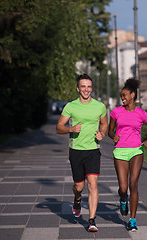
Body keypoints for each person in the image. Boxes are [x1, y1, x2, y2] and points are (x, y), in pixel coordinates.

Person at [56, 73, 108, 232]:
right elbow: (59, 127)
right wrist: (70, 129)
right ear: (78, 88)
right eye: (83, 86)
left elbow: (104, 124)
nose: (86, 89)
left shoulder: (99, 106)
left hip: (93, 150)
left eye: (89, 87)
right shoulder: (70, 106)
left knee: (93, 184)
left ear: (92, 88)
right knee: (79, 186)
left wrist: (102, 133)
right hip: (76, 151)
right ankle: (77, 199)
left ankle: (92, 220)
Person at [108, 78, 147, 231]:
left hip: (136, 151)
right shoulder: (116, 112)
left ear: (132, 95)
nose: (122, 98)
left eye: (124, 95)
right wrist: (113, 136)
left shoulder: (141, 114)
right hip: (120, 151)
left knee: (133, 184)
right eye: (121, 96)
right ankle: (123, 200)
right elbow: (110, 131)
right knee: (123, 188)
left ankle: (132, 219)